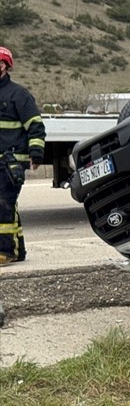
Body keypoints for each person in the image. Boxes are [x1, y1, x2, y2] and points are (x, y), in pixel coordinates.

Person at [0, 46, 46, 264]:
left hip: (11, 163)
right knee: (8, 205)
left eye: (0, 62)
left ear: (6, 66)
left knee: (3, 205)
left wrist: (36, 154)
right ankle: (18, 251)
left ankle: (5, 252)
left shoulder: (18, 94)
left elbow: (35, 126)